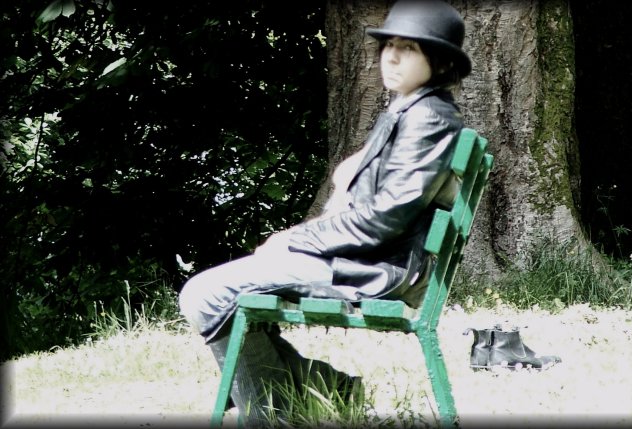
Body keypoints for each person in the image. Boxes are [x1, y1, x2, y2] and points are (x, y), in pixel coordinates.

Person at [179, 0, 472, 425]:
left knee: (206, 295)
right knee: (218, 292)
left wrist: (293, 240)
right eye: (388, 45)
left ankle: (274, 410)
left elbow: (382, 220)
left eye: (408, 48)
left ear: (441, 62)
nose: (390, 56)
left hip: (377, 271)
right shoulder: (410, 110)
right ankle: (321, 388)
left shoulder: (428, 118)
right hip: (369, 260)